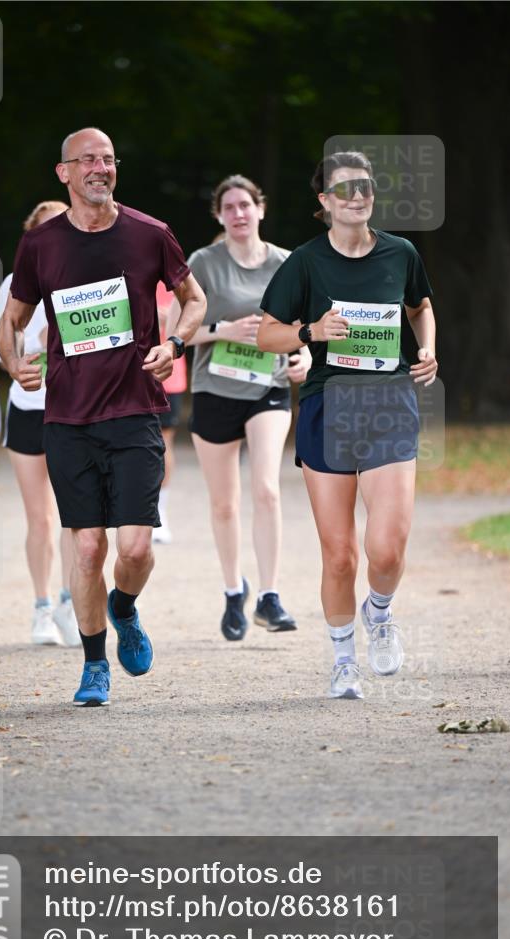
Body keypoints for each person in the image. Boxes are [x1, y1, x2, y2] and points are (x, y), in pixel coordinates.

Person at [0, 127, 206, 707]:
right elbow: (12, 320)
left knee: (135, 550)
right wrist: (15, 366)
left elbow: (195, 299)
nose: (99, 167)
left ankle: (125, 608)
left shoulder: (150, 234)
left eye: (108, 158)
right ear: (63, 172)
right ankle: (93, 666)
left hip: (136, 410)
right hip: (67, 418)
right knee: (87, 548)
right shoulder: (41, 244)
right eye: (87, 159)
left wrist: (176, 344)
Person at [258, 151, 437, 699]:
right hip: (326, 408)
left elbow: (420, 306)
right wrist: (311, 331)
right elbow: (268, 335)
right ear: (325, 201)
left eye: (365, 186)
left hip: (388, 404)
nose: (357, 195)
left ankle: (378, 612)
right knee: (339, 554)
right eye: (345, 188)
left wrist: (428, 348)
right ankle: (342, 659)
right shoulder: (306, 263)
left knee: (387, 548)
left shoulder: (400, 253)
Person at [173, 174, 310, 641]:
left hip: (267, 388)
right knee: (225, 503)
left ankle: (270, 597)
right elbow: (176, 329)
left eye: (245, 206)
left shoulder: (287, 263)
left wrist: (304, 356)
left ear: (260, 210)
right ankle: (234, 590)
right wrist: (222, 330)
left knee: (268, 489)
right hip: (215, 389)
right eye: (228, 207)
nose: (237, 214)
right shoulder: (203, 263)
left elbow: (307, 325)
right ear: (219, 216)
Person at [0, 199, 81, 646]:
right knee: (39, 518)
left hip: (76, 410)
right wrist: (17, 363)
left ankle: (69, 602)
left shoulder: (89, 281)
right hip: (27, 409)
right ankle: (41, 608)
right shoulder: (14, 284)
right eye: (43, 229)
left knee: (78, 519)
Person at [152, 280, 188, 544]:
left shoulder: (176, 279)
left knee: (164, 445)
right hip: (130, 375)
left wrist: (170, 321)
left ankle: (160, 513)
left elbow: (196, 319)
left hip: (169, 377)